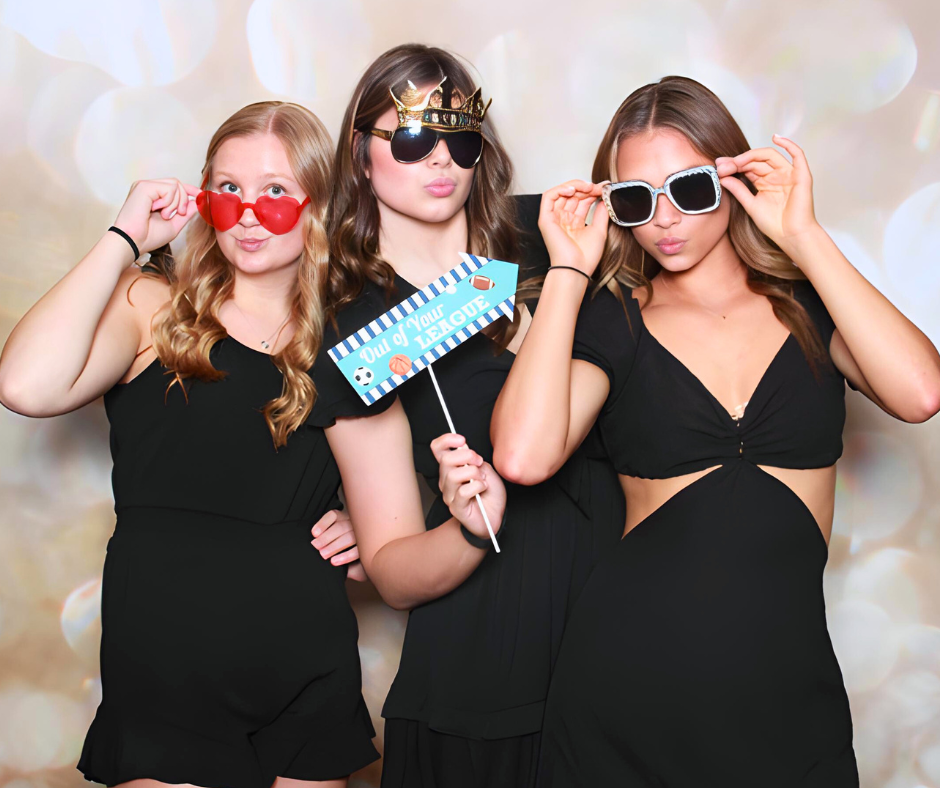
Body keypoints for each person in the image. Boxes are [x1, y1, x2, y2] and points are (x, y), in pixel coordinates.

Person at [491, 76, 940, 787]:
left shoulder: (810, 308)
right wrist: (571, 271)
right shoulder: (617, 321)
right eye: (636, 199)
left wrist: (804, 236)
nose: (664, 219)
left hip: (787, 701)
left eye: (690, 188)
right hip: (627, 696)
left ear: (733, 180)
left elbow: (920, 393)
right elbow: (522, 456)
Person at [0, 101, 379, 788]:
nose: (248, 213)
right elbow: (25, 385)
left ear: (319, 206)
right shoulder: (155, 308)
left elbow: (435, 455)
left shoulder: (355, 338)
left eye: (275, 190)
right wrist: (123, 237)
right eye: (229, 188)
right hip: (168, 670)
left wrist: (373, 521)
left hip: (308, 661)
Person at [310, 44, 625, 788]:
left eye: (461, 139)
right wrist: (466, 529)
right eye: (413, 138)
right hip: (484, 654)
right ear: (360, 154)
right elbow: (392, 570)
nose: (440, 159)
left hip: (614, 625)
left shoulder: (554, 236)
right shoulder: (355, 323)